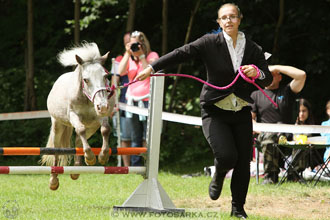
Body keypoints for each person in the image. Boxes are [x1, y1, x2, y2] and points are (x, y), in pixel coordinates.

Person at [136, 3, 272, 218]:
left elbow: (268, 78)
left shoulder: (253, 48)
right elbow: (182, 52)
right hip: (214, 110)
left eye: (232, 17)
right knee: (227, 156)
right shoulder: (210, 42)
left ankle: (237, 208)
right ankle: (218, 174)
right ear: (219, 22)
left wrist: (257, 72)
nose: (228, 21)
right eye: (224, 18)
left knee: (243, 162)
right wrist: (152, 67)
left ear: (240, 19)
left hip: (242, 111)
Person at [251, 65, 306, 184]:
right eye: (266, 74)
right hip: (266, 135)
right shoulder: (256, 95)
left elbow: (301, 75)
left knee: (302, 137)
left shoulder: (287, 91)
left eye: (272, 74)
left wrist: (276, 67)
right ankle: (270, 177)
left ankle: (294, 176)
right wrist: (264, 131)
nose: (268, 76)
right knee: (269, 137)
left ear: (279, 77)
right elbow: (251, 121)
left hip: (288, 135)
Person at [118, 31, 159, 166]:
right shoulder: (129, 58)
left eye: (137, 44)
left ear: (143, 43)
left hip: (147, 101)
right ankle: (136, 166)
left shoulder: (152, 56)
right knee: (135, 137)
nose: (135, 46)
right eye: (132, 44)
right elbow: (120, 72)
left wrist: (141, 56)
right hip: (132, 101)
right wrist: (127, 53)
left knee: (147, 136)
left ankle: (150, 165)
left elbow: (150, 71)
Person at [111, 32, 132, 166]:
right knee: (125, 136)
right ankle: (127, 167)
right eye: (127, 43)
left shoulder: (145, 57)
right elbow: (114, 83)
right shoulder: (119, 59)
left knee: (142, 137)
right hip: (124, 102)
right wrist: (113, 102)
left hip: (141, 102)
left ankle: (142, 166)